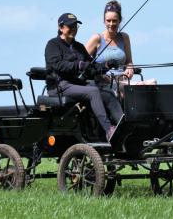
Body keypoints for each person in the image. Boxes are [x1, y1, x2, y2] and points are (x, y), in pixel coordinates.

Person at [44, 12, 121, 142]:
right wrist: (79, 65)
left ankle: (121, 127)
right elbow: (57, 65)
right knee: (93, 91)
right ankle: (109, 130)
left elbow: (91, 67)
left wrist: (107, 65)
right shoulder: (53, 45)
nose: (73, 29)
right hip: (60, 85)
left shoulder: (79, 47)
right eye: (70, 26)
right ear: (61, 27)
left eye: (75, 26)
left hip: (77, 85)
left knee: (107, 92)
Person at [85, 0, 156, 90]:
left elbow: (129, 61)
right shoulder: (97, 39)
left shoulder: (124, 37)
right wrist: (98, 75)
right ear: (104, 21)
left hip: (122, 80)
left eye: (114, 21)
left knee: (153, 82)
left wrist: (130, 68)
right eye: (108, 21)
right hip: (104, 83)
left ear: (120, 20)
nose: (111, 24)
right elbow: (82, 61)